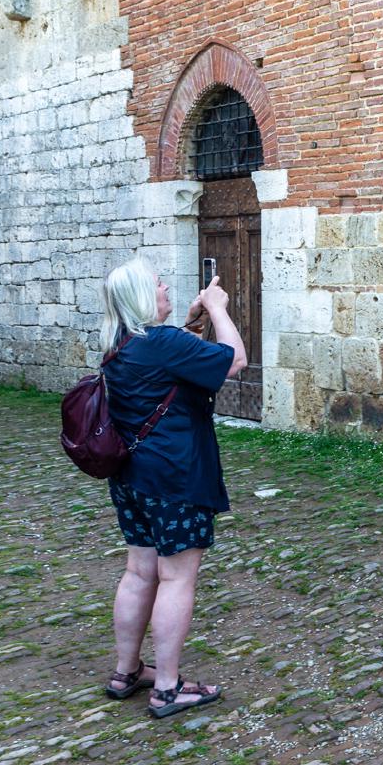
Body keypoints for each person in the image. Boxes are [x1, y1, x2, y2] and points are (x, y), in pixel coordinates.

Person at [96, 257, 246, 718]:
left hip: (132, 477)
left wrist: (191, 321)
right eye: (159, 284)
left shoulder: (120, 342)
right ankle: (166, 687)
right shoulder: (161, 343)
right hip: (176, 477)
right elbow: (234, 361)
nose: (165, 288)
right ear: (144, 296)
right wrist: (218, 308)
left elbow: (174, 365)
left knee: (140, 572)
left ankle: (126, 671)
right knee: (176, 578)